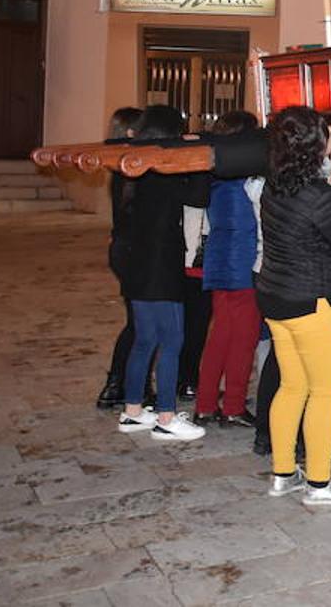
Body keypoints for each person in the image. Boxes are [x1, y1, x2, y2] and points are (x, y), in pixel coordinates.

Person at [256, 106, 331, 506]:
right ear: (316, 145)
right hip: (312, 301)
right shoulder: (319, 195)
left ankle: (283, 473)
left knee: (292, 386)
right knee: (325, 392)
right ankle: (319, 483)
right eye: (329, 136)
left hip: (275, 296)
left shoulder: (273, 184)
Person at [112, 105, 210, 442]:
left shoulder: (130, 167)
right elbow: (198, 196)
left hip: (136, 266)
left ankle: (133, 410)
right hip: (160, 269)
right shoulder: (159, 172)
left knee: (145, 340)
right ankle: (166, 415)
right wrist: (197, 154)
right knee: (172, 340)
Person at [195, 110, 264, 427]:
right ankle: (233, 405)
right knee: (243, 340)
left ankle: (206, 403)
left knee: (220, 336)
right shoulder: (248, 180)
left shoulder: (217, 176)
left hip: (219, 261)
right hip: (243, 263)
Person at [96, 106, 144, 411]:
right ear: (129, 132)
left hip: (124, 247)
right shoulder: (130, 167)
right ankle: (117, 384)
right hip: (131, 250)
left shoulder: (123, 165)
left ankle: (126, 383)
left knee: (139, 322)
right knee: (140, 323)